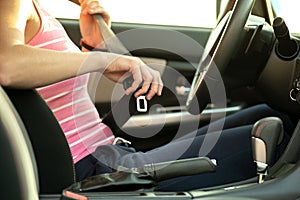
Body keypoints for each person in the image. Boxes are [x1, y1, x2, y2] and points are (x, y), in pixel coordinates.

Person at [0, 0, 295, 191]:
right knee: (283, 134)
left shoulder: (35, 8)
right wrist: (100, 60)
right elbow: (7, 65)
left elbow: (61, 87)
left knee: (268, 117)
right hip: (92, 172)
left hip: (107, 155)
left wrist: (96, 44)